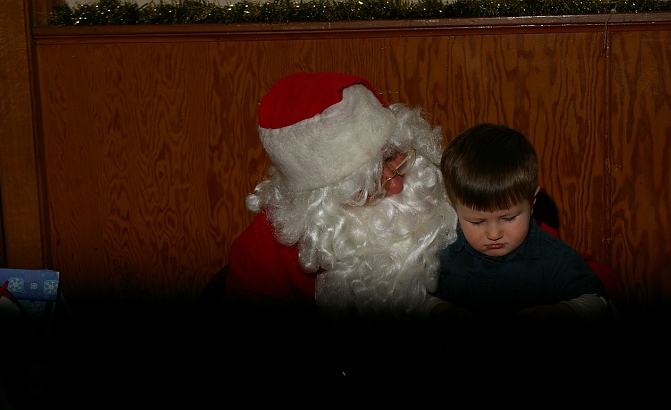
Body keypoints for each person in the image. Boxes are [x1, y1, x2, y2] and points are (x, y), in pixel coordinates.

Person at [221, 71, 458, 326]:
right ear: (320, 199)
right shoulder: (264, 254)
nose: (397, 185)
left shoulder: (449, 188)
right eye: (367, 184)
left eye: (392, 156)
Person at [431, 123, 614, 325]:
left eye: (508, 218)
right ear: (453, 207)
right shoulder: (442, 254)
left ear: (532, 202)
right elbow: (412, 298)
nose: (494, 233)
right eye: (477, 221)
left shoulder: (551, 256)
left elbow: (599, 302)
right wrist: (438, 309)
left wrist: (561, 312)